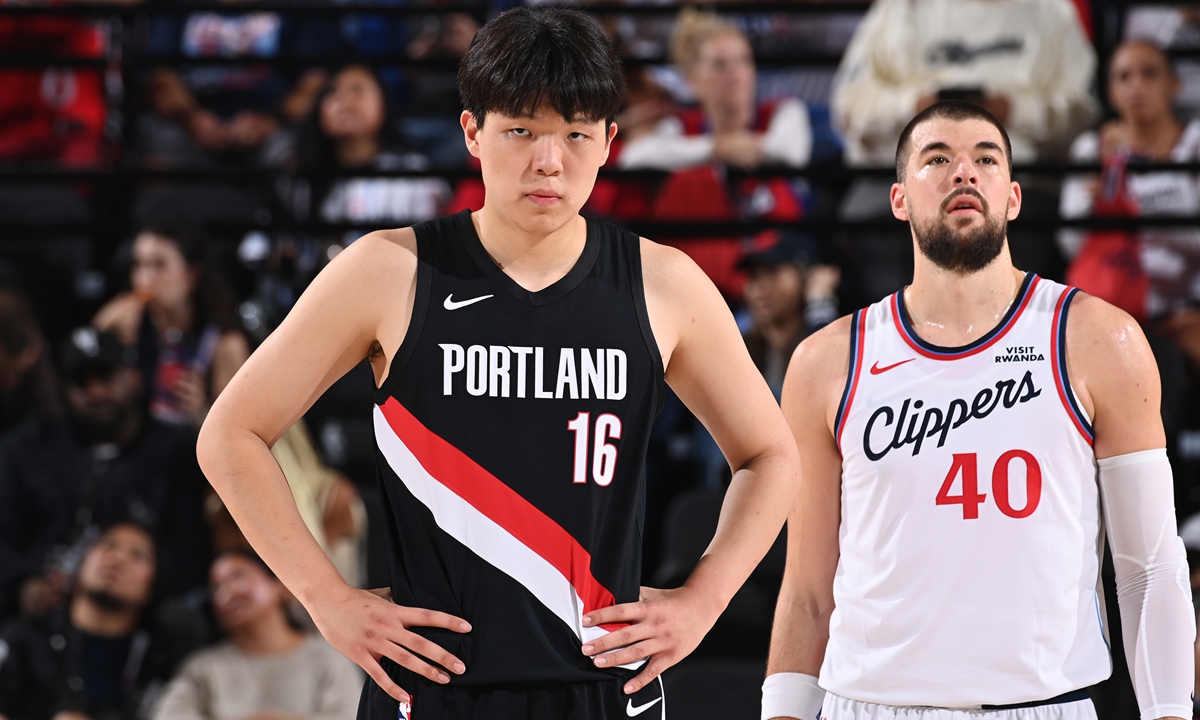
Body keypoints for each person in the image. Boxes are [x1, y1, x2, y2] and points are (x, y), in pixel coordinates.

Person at [196, 7, 800, 720]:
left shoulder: (663, 284)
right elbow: (228, 434)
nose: (550, 161)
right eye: (522, 130)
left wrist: (705, 600)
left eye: (576, 133)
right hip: (433, 685)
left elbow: (771, 454)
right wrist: (327, 600)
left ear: (610, 142)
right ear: (472, 132)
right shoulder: (389, 270)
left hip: (604, 686)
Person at [761, 100, 1196, 720]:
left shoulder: (1100, 340)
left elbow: (1150, 566)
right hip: (868, 704)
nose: (963, 173)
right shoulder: (825, 363)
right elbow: (806, 592)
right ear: (899, 199)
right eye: (937, 159)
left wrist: (1171, 711)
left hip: (1043, 704)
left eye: (985, 159)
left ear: (1014, 197)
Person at [830, 0, 1098, 302]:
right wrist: (915, 106)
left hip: (1025, 178)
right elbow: (848, 106)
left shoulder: (1051, 10)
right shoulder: (899, 8)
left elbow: (1083, 111)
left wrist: (1013, 109)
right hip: (890, 176)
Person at [0, 328, 211, 619]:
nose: (96, 393)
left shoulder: (175, 450)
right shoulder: (26, 448)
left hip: (144, 616)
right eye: (81, 383)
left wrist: (127, 587)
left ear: (134, 379)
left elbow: (191, 552)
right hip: (40, 617)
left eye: (106, 378)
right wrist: (24, 587)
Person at [1059, 40, 1200, 364]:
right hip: (1106, 310)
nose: (1137, 87)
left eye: (1149, 74)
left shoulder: (1195, 144)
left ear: (1174, 84)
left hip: (1183, 308)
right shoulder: (1090, 149)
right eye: (1124, 77)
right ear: (1110, 91)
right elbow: (1070, 244)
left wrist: (1136, 190)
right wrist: (1093, 203)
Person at [0, 522, 203, 720]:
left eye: (138, 554)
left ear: (154, 585)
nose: (117, 558)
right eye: (107, 544)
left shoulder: (163, 659)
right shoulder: (24, 637)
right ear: (80, 562)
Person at [150, 550, 362, 720]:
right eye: (216, 587)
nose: (227, 592)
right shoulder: (203, 667)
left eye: (238, 576)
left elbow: (352, 715)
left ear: (279, 584)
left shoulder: (329, 658)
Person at [93, 224, 249, 429]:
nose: (145, 277)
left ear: (192, 275)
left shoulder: (225, 343)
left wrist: (200, 411)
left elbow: (237, 434)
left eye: (159, 265)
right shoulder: (121, 325)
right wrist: (107, 337)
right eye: (138, 265)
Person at [289, 64, 450, 227]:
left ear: (384, 102)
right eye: (332, 92)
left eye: (358, 91)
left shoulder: (416, 172)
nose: (345, 102)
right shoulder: (306, 177)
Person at [0, 290, 59, 436]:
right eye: (4, 372)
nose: (12, 381)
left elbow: (51, 417)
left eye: (20, 372)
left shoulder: (36, 352)